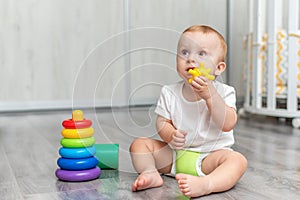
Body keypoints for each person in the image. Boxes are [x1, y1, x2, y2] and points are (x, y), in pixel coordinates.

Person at [129, 25, 247, 198]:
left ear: (219, 68)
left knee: (237, 161)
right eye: (184, 52)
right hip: (174, 156)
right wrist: (170, 135)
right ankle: (149, 172)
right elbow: (162, 122)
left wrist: (210, 95)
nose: (191, 59)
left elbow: (228, 124)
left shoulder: (225, 92)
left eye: (201, 54)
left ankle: (208, 183)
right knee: (139, 145)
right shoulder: (169, 92)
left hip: (210, 157)